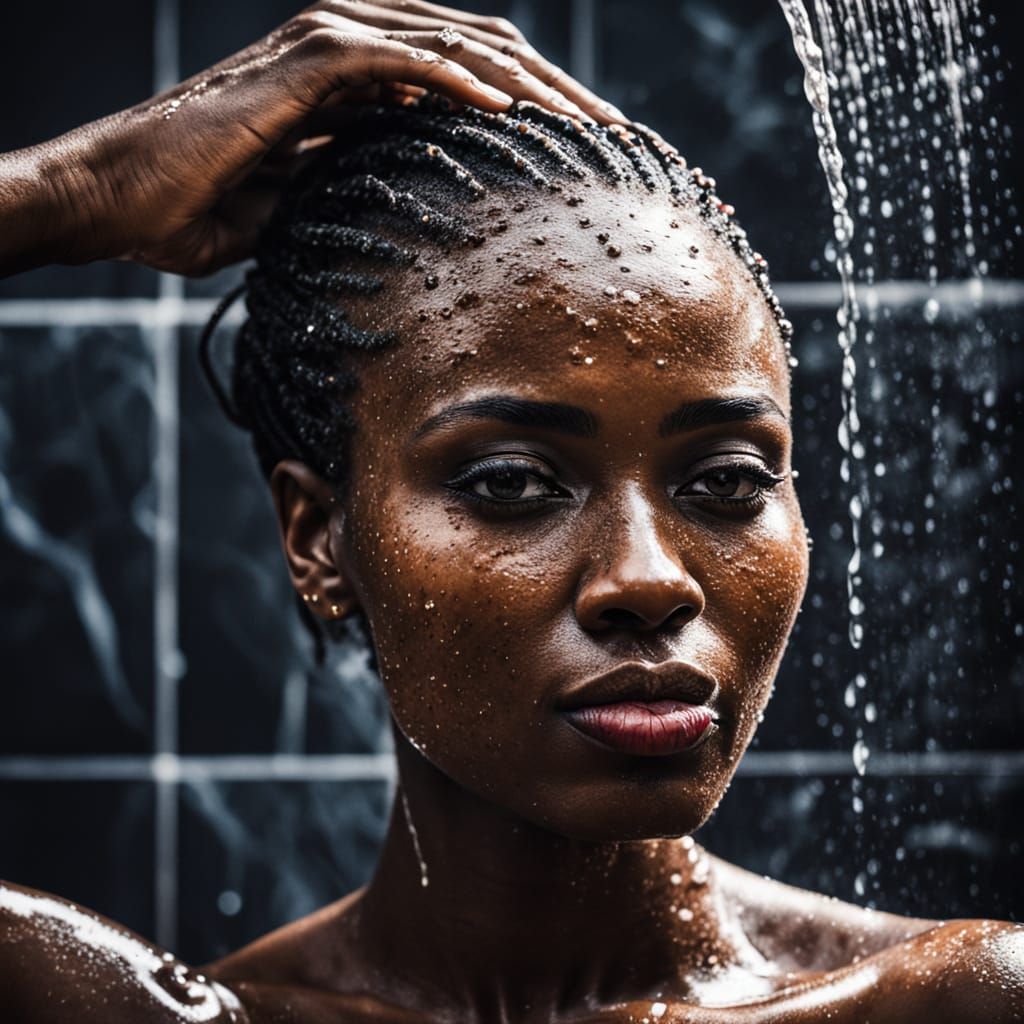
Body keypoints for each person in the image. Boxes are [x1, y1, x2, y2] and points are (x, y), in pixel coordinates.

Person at [0, 2, 1020, 1021]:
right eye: (509, 484)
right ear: (318, 539)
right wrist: (68, 190)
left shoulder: (956, 1004)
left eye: (727, 482)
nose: (649, 579)